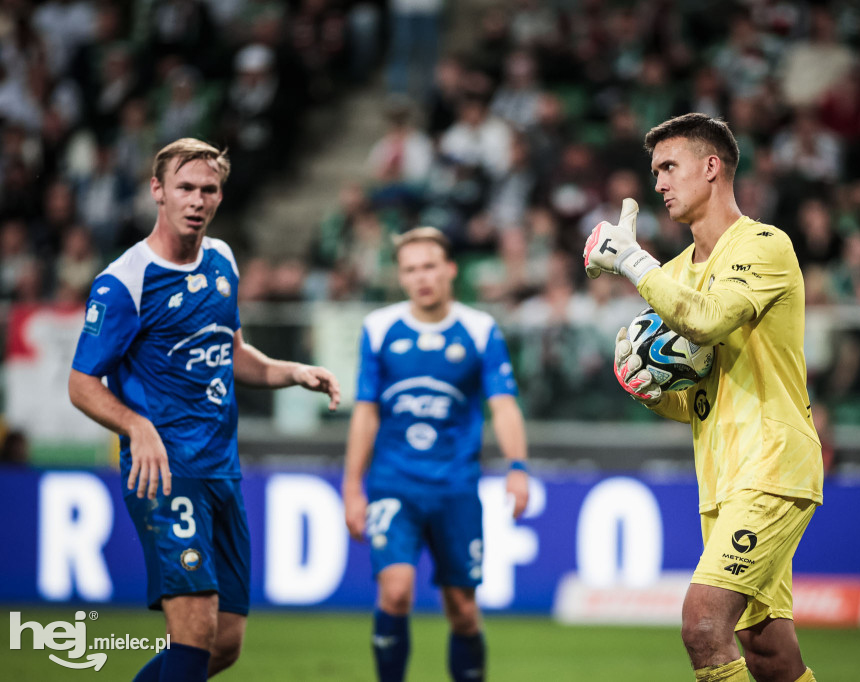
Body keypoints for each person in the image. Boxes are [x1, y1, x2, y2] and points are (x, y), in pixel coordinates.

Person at [68, 138, 341, 682]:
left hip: (222, 470)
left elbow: (232, 350)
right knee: (192, 634)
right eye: (185, 188)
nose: (197, 199)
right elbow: (81, 383)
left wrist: (291, 371)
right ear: (158, 192)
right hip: (167, 471)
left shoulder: (222, 260)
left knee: (224, 644)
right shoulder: (125, 281)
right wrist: (135, 425)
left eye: (208, 189)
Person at [583, 113, 823, 682]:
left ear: (712, 167)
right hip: (719, 476)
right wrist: (646, 385)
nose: (659, 183)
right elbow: (692, 396)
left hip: (773, 464)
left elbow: (708, 320)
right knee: (768, 651)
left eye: (670, 167)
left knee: (702, 625)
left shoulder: (764, 245)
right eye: (655, 171)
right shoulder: (673, 274)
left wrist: (630, 262)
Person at [343, 226, 529, 682]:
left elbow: (503, 406)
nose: (421, 277)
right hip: (394, 484)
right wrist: (351, 486)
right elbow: (365, 414)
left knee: (463, 611)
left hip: (455, 488)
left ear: (449, 269)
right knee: (396, 591)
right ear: (400, 277)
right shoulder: (380, 328)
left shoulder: (480, 329)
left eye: (429, 266)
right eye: (410, 269)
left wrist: (518, 467)